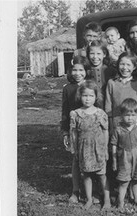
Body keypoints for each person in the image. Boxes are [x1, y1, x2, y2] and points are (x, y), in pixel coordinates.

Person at [69, 80, 111, 210]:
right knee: (86, 174)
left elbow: (105, 131)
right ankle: (88, 199)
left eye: (91, 96)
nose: (87, 99)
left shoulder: (100, 113)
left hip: (98, 148)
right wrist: (74, 148)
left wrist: (105, 149)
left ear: (96, 97)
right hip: (83, 148)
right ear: (80, 96)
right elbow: (74, 133)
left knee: (102, 175)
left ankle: (107, 200)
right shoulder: (75, 114)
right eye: (85, 96)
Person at [110, 98, 137, 209]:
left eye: (133, 115)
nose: (130, 118)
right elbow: (113, 144)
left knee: (136, 180)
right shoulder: (118, 129)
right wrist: (114, 160)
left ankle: (136, 199)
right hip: (124, 158)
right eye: (127, 115)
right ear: (121, 115)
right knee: (124, 181)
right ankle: (121, 202)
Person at [60, 55, 86, 203]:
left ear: (86, 71)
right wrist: (65, 131)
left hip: (90, 127)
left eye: (81, 70)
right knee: (76, 159)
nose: (77, 73)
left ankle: (93, 189)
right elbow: (65, 110)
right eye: (74, 70)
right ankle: (75, 190)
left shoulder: (91, 85)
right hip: (74, 128)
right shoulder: (68, 88)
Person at [105, 52, 137, 134]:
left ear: (134, 67)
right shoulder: (112, 82)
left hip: (133, 120)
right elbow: (108, 104)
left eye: (128, 65)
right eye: (122, 64)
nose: (125, 67)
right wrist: (111, 124)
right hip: (117, 120)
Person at [86, 40, 117, 108]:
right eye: (92, 53)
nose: (95, 57)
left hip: (108, 104)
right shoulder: (86, 71)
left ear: (104, 54)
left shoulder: (110, 70)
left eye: (98, 54)